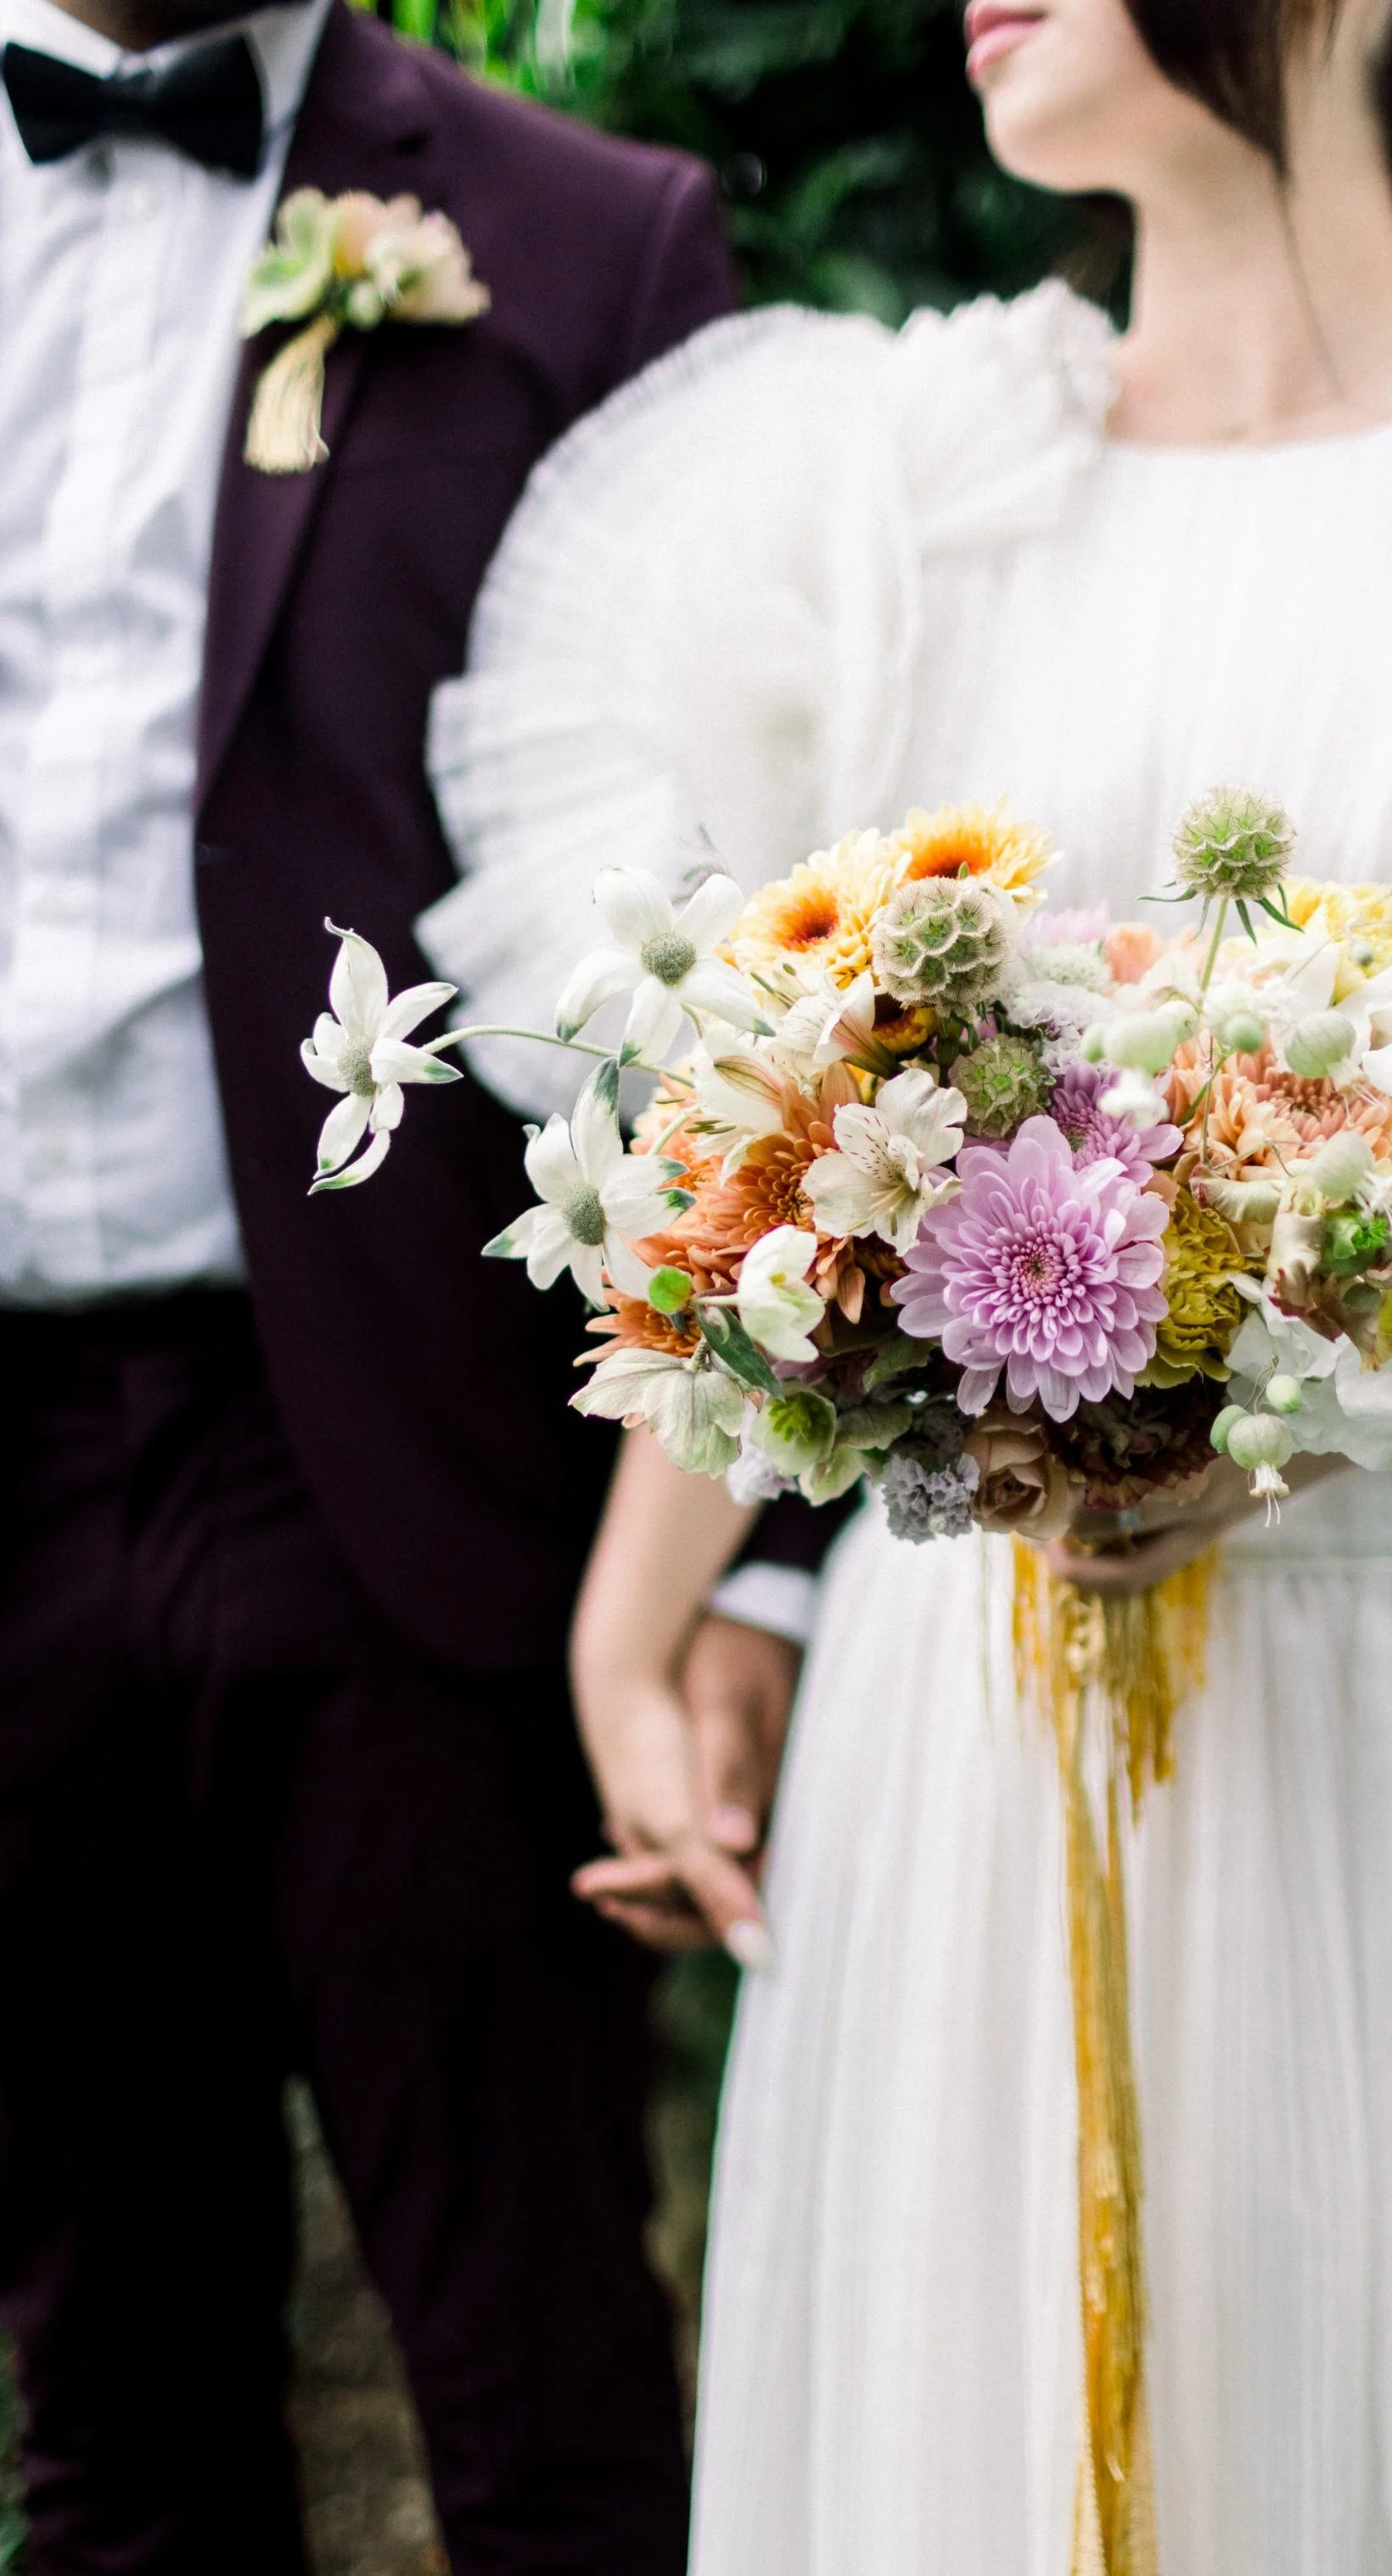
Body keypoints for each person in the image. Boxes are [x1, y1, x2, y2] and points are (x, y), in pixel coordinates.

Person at [423, 0, 1392, 2564]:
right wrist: (645, 1609)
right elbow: (792, 1140)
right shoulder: (906, 501)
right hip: (990, 1738)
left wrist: (1308, 1375)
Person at [0, 3, 810, 2569]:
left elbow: (765, 928)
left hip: (425, 1472)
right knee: (109, 2426)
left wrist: (753, 1551)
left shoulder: (592, 246)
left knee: (549, 2396)